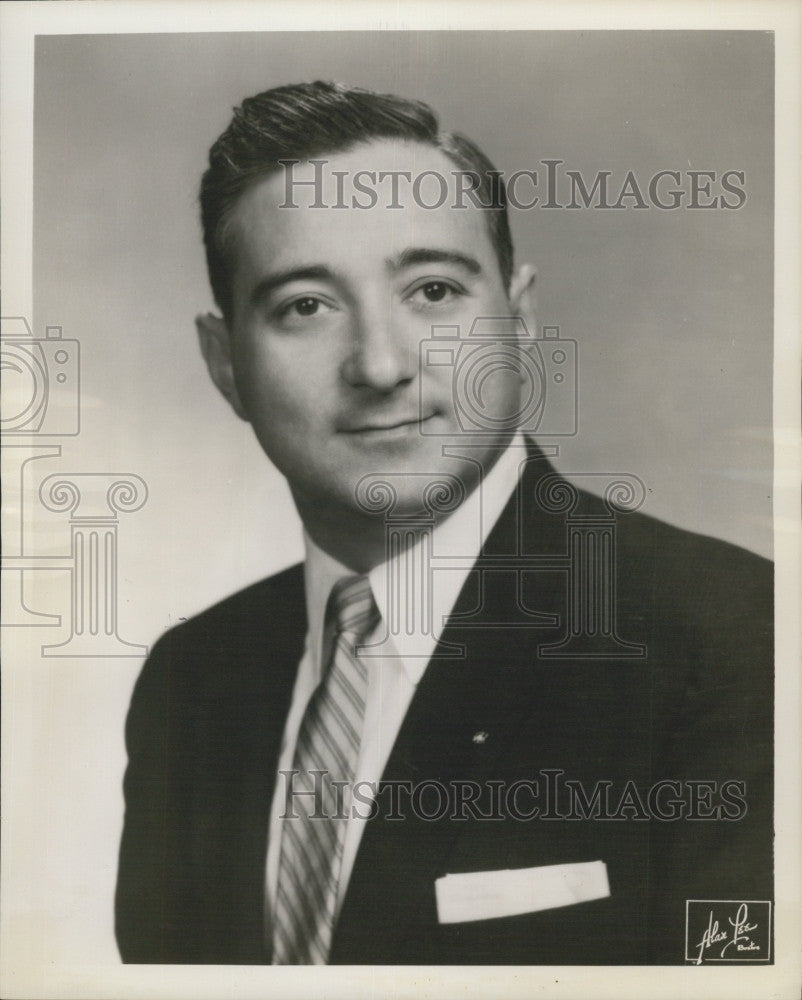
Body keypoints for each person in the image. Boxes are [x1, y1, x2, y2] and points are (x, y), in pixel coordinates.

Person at [115, 81, 773, 965]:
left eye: (432, 290)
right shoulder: (191, 682)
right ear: (225, 363)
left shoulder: (730, 635)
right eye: (306, 305)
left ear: (521, 314)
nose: (381, 364)